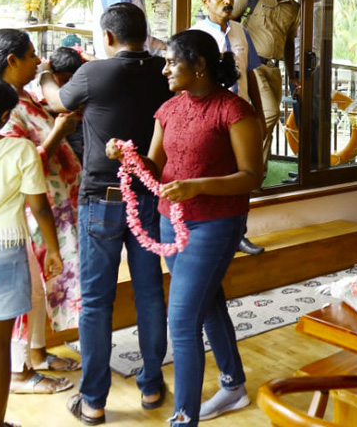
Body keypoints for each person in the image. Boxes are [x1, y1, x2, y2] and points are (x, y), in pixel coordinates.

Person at [105, 29, 263, 426]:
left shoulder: (233, 110)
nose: (165, 70)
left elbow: (251, 176)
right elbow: (155, 168)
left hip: (215, 224)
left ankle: (183, 418)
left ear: (199, 65)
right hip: (170, 219)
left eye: (172, 62)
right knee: (207, 303)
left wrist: (198, 186)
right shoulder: (168, 110)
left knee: (182, 319)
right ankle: (233, 386)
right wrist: (129, 157)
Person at [38, 4, 171, 425]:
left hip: (103, 197)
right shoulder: (162, 72)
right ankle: (151, 387)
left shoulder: (95, 74)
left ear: (108, 37)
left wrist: (44, 72)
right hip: (148, 195)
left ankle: (94, 401)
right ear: (144, 34)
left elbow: (57, 100)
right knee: (150, 293)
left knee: (96, 301)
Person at [0, 30, 82, 394]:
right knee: (28, 293)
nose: (39, 61)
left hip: (49, 212)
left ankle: (37, 353)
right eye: (32, 55)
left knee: (41, 290)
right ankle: (19, 372)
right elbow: (18, 165)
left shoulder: (24, 97)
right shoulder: (0, 107)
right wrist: (58, 132)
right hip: (24, 218)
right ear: (12, 60)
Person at [0, 74, 63, 427]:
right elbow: (40, 209)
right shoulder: (18, 149)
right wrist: (53, 250)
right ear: (2, 117)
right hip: (2, 251)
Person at [195, 0, 267, 256]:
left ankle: (240, 235)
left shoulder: (240, 31)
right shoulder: (197, 35)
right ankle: (213, 238)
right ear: (206, 2)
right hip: (211, 120)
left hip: (240, 117)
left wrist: (257, 114)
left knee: (243, 177)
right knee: (213, 175)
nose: (227, 2)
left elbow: (250, 73)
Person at [232, 0, 301, 167]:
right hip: (252, 65)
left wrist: (292, 76)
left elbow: (290, 44)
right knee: (270, 114)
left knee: (267, 124)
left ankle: (257, 178)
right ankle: (242, 161)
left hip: (274, 70)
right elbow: (231, 22)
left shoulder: (294, 8)